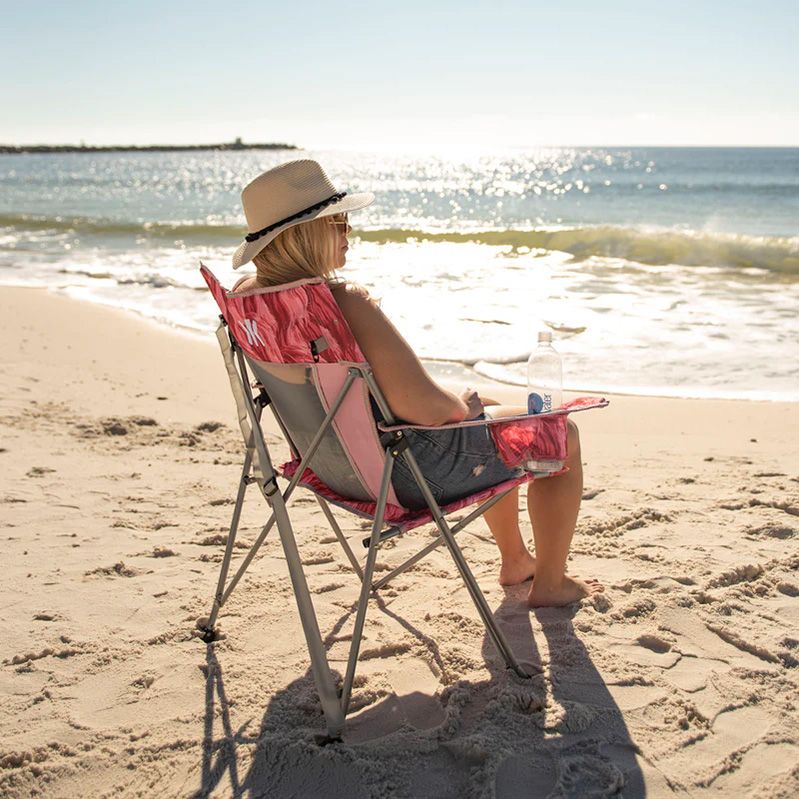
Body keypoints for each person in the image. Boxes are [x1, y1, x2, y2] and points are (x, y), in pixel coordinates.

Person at [230, 159, 603, 607]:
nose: (349, 233)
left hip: (330, 466)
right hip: (402, 476)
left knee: (491, 406)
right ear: (305, 235)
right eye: (339, 223)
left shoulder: (247, 301)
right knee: (561, 433)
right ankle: (550, 584)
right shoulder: (343, 304)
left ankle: (516, 560)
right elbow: (432, 411)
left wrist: (465, 405)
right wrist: (460, 405)